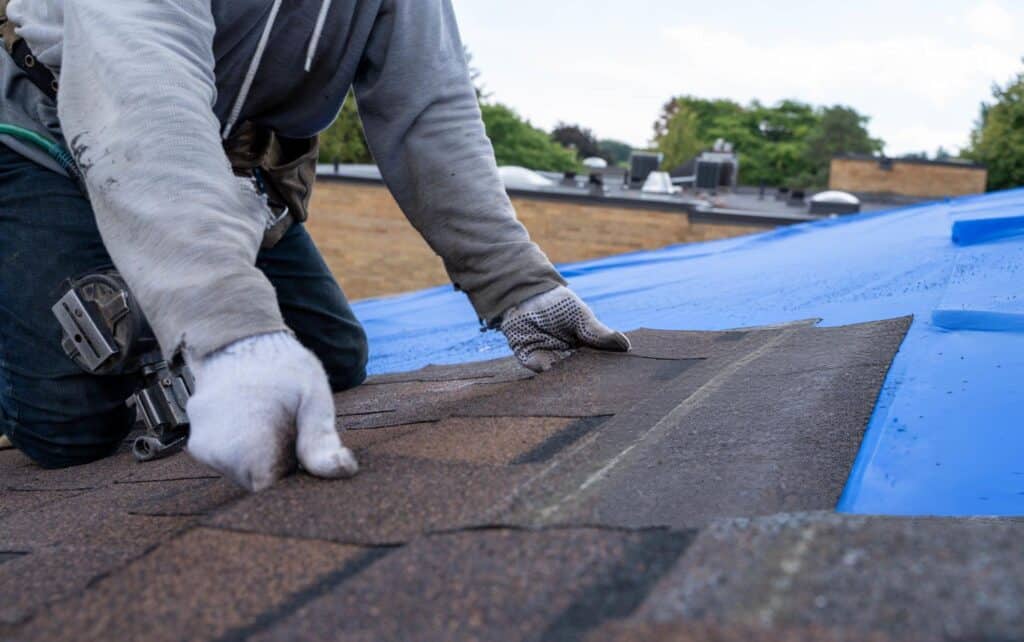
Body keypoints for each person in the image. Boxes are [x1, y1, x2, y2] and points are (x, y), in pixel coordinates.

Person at [0, 0, 630, 491]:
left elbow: (427, 107)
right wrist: (228, 334)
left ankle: (141, 286)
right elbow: (140, 92)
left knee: (331, 358)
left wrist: (519, 288)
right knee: (69, 430)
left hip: (221, 160)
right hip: (52, 136)